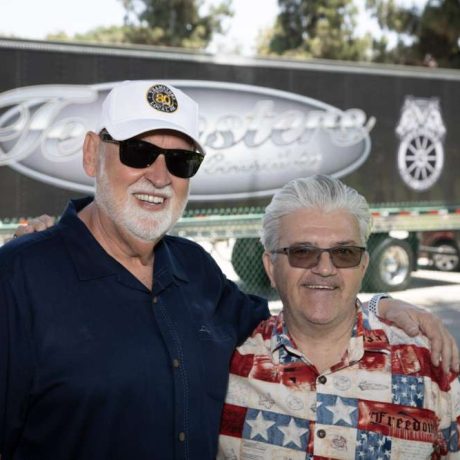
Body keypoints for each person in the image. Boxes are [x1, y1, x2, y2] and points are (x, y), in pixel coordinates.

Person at [0, 81, 457, 460]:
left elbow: (303, 310)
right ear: (91, 154)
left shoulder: (193, 269)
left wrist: (380, 304)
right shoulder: (18, 280)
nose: (159, 176)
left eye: (180, 161)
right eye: (139, 152)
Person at [218, 175, 460, 459]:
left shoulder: (428, 362)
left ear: (363, 266)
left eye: (344, 252)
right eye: (302, 252)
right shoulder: (227, 364)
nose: (324, 268)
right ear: (271, 268)